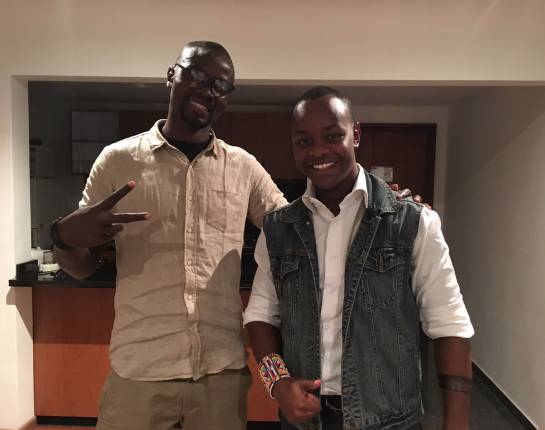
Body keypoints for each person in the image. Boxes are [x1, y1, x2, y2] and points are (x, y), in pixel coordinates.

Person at [52, 41, 287, 430]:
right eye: (196, 75)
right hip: (139, 372)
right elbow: (80, 267)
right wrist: (62, 237)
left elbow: (294, 232)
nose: (207, 90)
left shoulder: (244, 167)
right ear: (171, 75)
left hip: (219, 375)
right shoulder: (117, 161)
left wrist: (375, 204)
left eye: (220, 85)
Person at [244, 86, 474, 430]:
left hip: (391, 422)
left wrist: (456, 425)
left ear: (356, 134)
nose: (318, 150)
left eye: (333, 135)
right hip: (304, 421)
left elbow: (450, 326)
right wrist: (276, 384)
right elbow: (260, 316)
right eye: (304, 141)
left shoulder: (413, 222)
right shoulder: (278, 229)